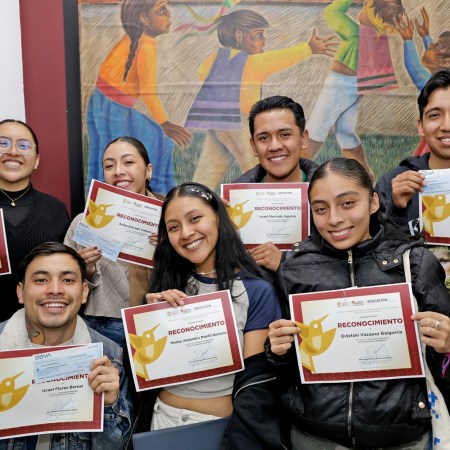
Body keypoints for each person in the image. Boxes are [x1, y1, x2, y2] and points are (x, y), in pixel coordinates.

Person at [268, 158, 450, 449]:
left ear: (374, 202)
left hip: (400, 438)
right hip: (314, 436)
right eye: (321, 209)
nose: (334, 219)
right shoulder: (295, 269)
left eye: (348, 203)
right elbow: (288, 370)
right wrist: (278, 351)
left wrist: (447, 345)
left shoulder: (413, 263)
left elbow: (442, 358)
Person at [136, 182, 283, 448]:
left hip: (220, 431)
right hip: (161, 422)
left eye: (195, 218)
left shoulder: (255, 290)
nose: (186, 233)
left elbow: (254, 383)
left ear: (218, 216)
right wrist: (149, 319)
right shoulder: (167, 284)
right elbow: (144, 371)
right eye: (173, 227)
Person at [0, 242, 132, 449]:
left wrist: (109, 406)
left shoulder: (109, 355)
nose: (55, 290)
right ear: (21, 291)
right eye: (41, 280)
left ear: (85, 291)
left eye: (68, 280)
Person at [185, 8, 336, 190]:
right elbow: (278, 59)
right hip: (239, 122)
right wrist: (308, 48)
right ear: (239, 36)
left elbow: (202, 71)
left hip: (217, 123)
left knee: (208, 170)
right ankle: (262, 202)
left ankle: (193, 196)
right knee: (256, 168)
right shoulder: (252, 63)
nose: (263, 40)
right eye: (257, 35)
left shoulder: (217, 58)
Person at [86, 0, 191, 195]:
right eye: (161, 10)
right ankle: (159, 196)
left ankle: (158, 196)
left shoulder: (137, 38)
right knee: (152, 142)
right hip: (113, 109)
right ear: (144, 19)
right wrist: (165, 123)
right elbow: (148, 92)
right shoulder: (145, 45)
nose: (169, 13)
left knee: (103, 155)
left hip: (102, 103)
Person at [65, 136, 160, 347]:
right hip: (102, 328)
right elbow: (63, 284)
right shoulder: (84, 222)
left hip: (161, 322)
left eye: (128, 162)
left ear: (148, 171)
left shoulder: (172, 218)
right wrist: (83, 271)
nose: (118, 171)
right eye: (109, 166)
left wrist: (170, 250)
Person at [304, 0, 406, 183]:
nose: (362, 7)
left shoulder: (355, 33)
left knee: (316, 126)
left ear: (374, 14)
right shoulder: (375, 35)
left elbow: (331, 12)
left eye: (366, 6)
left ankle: (300, 171)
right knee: (345, 131)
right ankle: (366, 175)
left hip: (340, 84)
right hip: (355, 85)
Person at [376, 69, 450, 302]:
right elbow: (372, 257)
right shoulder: (394, 182)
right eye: (435, 115)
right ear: (421, 126)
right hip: (416, 310)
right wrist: (395, 209)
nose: (446, 125)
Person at [232, 95, 318, 272]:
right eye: (264, 138)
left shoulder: (331, 195)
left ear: (303, 138)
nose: (275, 146)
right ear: (254, 146)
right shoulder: (234, 201)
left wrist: (285, 263)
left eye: (284, 135)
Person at [0, 119, 70, 322]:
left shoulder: (55, 209)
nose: (13, 151)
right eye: (3, 143)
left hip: (44, 327)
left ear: (37, 160)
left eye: (23, 145)